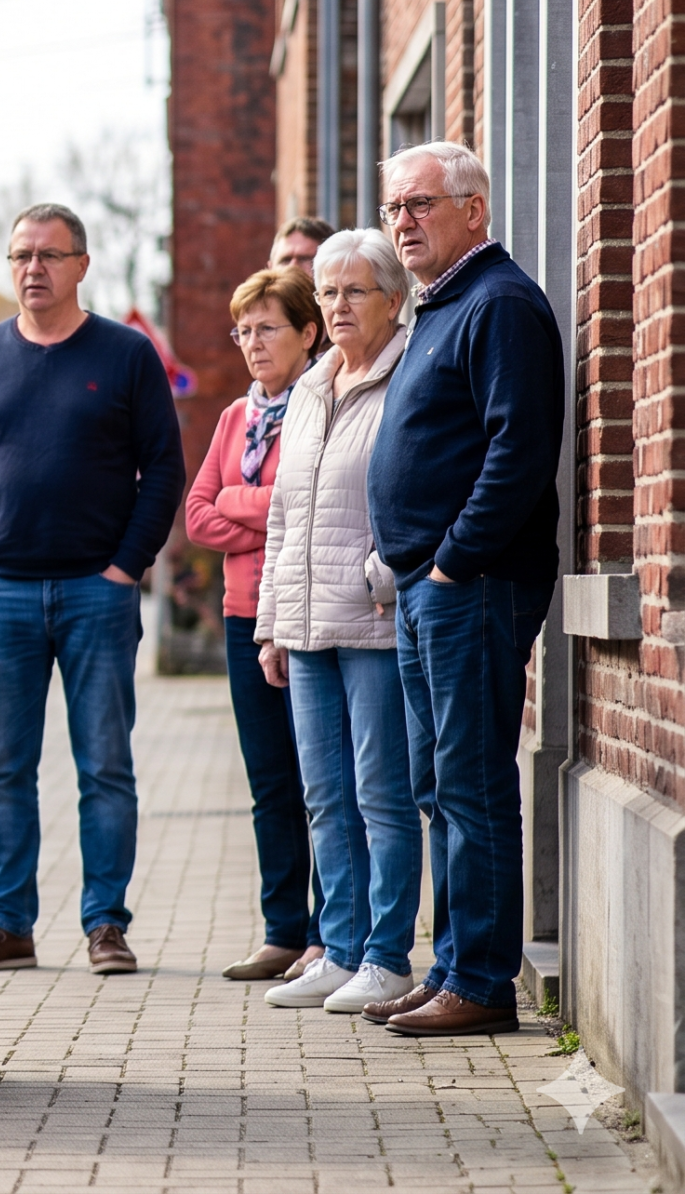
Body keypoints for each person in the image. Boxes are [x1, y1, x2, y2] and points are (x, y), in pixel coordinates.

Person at [0, 202, 186, 976]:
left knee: (104, 764)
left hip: (95, 594)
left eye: (48, 254)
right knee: (4, 768)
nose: (32, 268)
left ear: (81, 264)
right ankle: (8, 924)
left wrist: (125, 567)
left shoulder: (127, 354)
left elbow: (164, 469)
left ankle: (105, 924)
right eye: (20, 255)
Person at [364, 141, 562, 1037]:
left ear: (474, 210)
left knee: (475, 783)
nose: (403, 222)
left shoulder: (502, 303)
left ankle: (483, 982)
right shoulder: (442, 304)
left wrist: (451, 560)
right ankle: (452, 963)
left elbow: (518, 449)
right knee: (439, 783)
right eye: (393, 208)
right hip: (426, 586)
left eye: (421, 205)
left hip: (470, 584)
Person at [253, 231, 420, 1016]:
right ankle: (341, 949)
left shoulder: (408, 376)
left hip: (373, 621)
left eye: (355, 290)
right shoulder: (311, 388)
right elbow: (284, 515)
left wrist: (381, 575)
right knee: (324, 794)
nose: (339, 305)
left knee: (381, 795)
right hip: (307, 625)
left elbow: (424, 492)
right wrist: (271, 623)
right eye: (327, 292)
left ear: (393, 297)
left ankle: (388, 956)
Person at [184, 268, 326, 983]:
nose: (252, 343)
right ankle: (282, 929)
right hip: (245, 616)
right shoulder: (235, 419)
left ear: (307, 332)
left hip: (307, 614)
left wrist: (246, 505)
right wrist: (260, 509)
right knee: (270, 780)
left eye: (267, 327)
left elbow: (310, 506)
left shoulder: (322, 404)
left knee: (323, 780)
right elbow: (197, 513)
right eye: (243, 330)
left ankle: (329, 935)